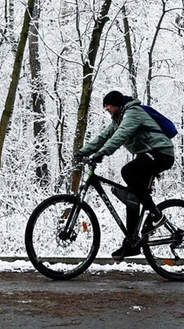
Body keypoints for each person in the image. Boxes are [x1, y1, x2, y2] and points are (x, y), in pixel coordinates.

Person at [74, 90, 175, 259]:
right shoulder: (119, 119)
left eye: (108, 105)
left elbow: (121, 135)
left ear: (117, 104)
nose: (106, 108)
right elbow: (103, 137)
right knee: (131, 198)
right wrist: (83, 152)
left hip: (161, 153)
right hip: (148, 155)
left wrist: (102, 153)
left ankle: (156, 214)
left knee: (128, 171)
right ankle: (132, 244)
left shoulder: (132, 113)